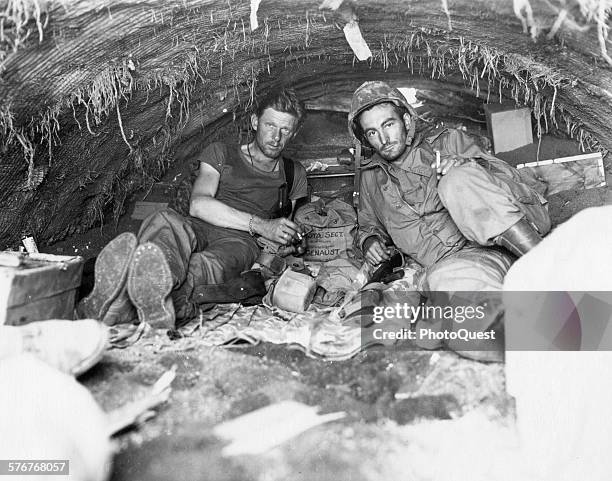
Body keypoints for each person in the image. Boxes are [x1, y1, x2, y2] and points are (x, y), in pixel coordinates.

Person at [348, 81, 552, 360]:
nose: (383, 139)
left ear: (406, 120)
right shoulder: (371, 178)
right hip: (459, 262)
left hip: (509, 232)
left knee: (457, 181)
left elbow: (510, 181)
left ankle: (549, 269)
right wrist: (369, 241)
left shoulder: (447, 142)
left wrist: (466, 166)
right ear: (365, 140)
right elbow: (367, 225)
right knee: (473, 326)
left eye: (388, 125)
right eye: (372, 132)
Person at [78, 89, 308, 329]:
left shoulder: (294, 173)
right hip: (198, 225)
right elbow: (198, 205)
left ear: (294, 133)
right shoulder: (221, 152)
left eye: (285, 130)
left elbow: (284, 229)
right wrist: (261, 225)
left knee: (202, 266)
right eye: (270, 125)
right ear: (254, 122)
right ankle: (142, 298)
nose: (276, 137)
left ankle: (119, 303)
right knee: (165, 222)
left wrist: (292, 238)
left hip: (240, 243)